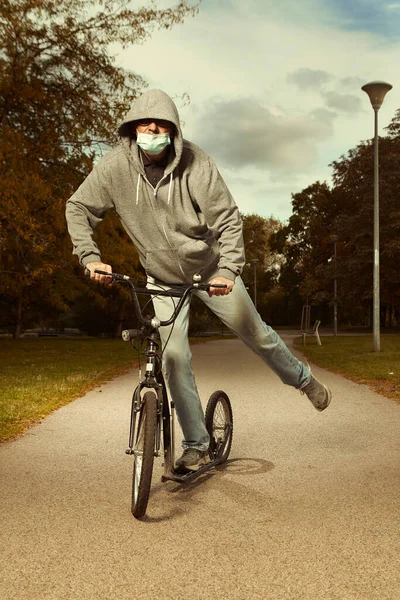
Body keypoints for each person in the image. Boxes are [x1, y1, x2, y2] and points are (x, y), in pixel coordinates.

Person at [66, 89, 332, 471]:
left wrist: (228, 269)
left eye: (160, 125)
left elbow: (227, 219)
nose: (151, 130)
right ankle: (197, 444)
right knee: (173, 357)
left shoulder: (197, 164)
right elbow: (77, 206)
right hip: (160, 278)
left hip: (209, 273)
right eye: (144, 124)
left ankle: (303, 380)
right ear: (132, 129)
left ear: (172, 131)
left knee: (256, 333)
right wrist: (90, 257)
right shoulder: (114, 169)